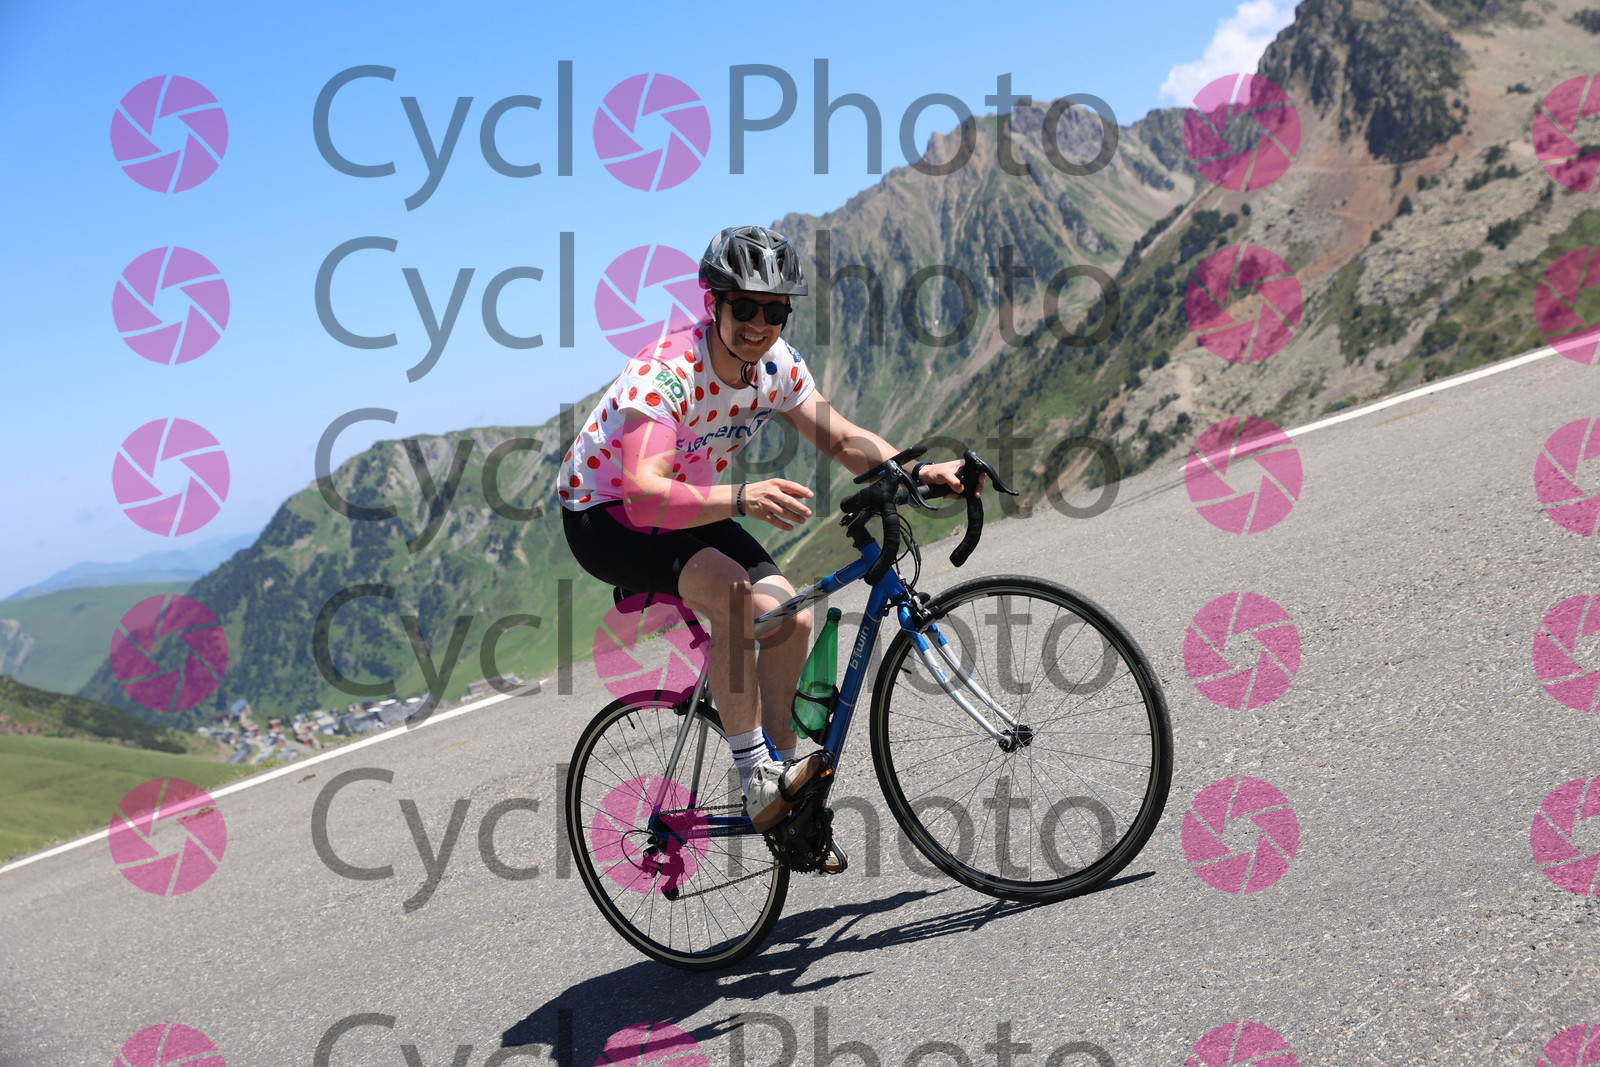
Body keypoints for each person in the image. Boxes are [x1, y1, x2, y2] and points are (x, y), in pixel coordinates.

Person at [557, 224, 980, 837]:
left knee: (789, 616)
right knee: (733, 595)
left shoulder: (776, 367)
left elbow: (842, 438)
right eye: (745, 308)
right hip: (608, 515)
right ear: (714, 303)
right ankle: (755, 775)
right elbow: (645, 497)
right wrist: (741, 497)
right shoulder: (667, 373)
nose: (760, 324)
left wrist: (918, 472)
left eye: (775, 311)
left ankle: (784, 789)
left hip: (691, 503)